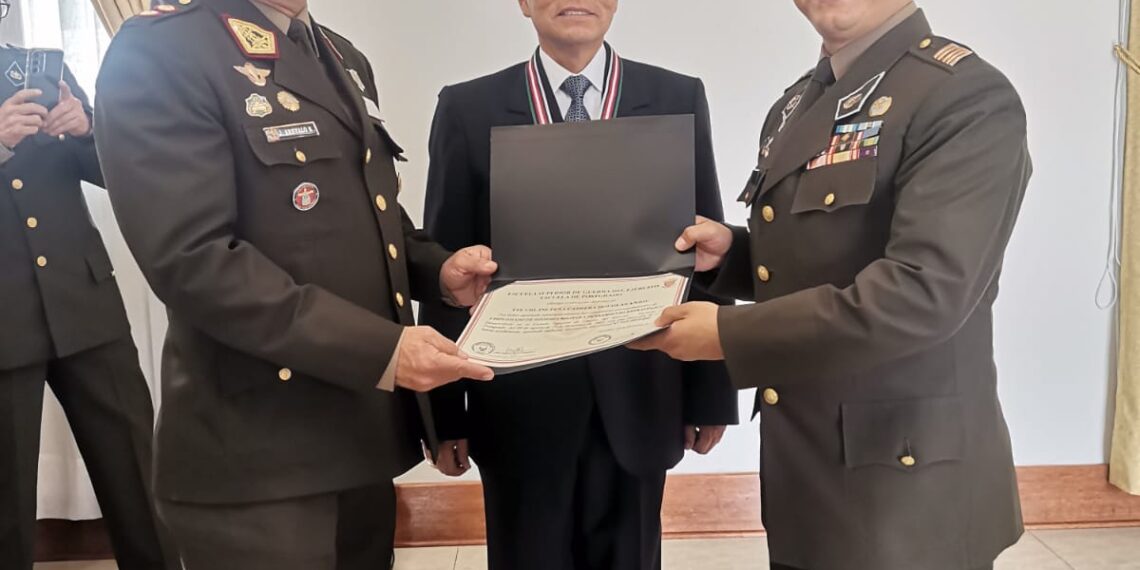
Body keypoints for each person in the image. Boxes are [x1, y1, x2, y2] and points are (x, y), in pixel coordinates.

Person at [94, 1, 498, 568]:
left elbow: (372, 215)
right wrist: (383, 350)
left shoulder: (336, 52)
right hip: (258, 457)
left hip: (360, 436)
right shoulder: (162, 50)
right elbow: (195, 260)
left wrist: (438, 272)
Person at [632, 1, 1030, 569]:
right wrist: (730, 257)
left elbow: (924, 292)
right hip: (807, 470)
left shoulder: (964, 95)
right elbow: (819, 259)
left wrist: (728, 334)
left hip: (906, 484)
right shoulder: (799, 102)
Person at [420, 1, 739, 568]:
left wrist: (711, 390)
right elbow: (448, 268)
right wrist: (444, 410)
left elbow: (706, 251)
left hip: (642, 386)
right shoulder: (469, 108)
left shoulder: (675, 96)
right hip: (517, 398)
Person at [0, 38, 174, 570]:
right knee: (6, 503)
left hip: (86, 304)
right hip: (4, 324)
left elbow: (115, 172)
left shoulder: (38, 66)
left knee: (139, 476)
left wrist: (87, 127)